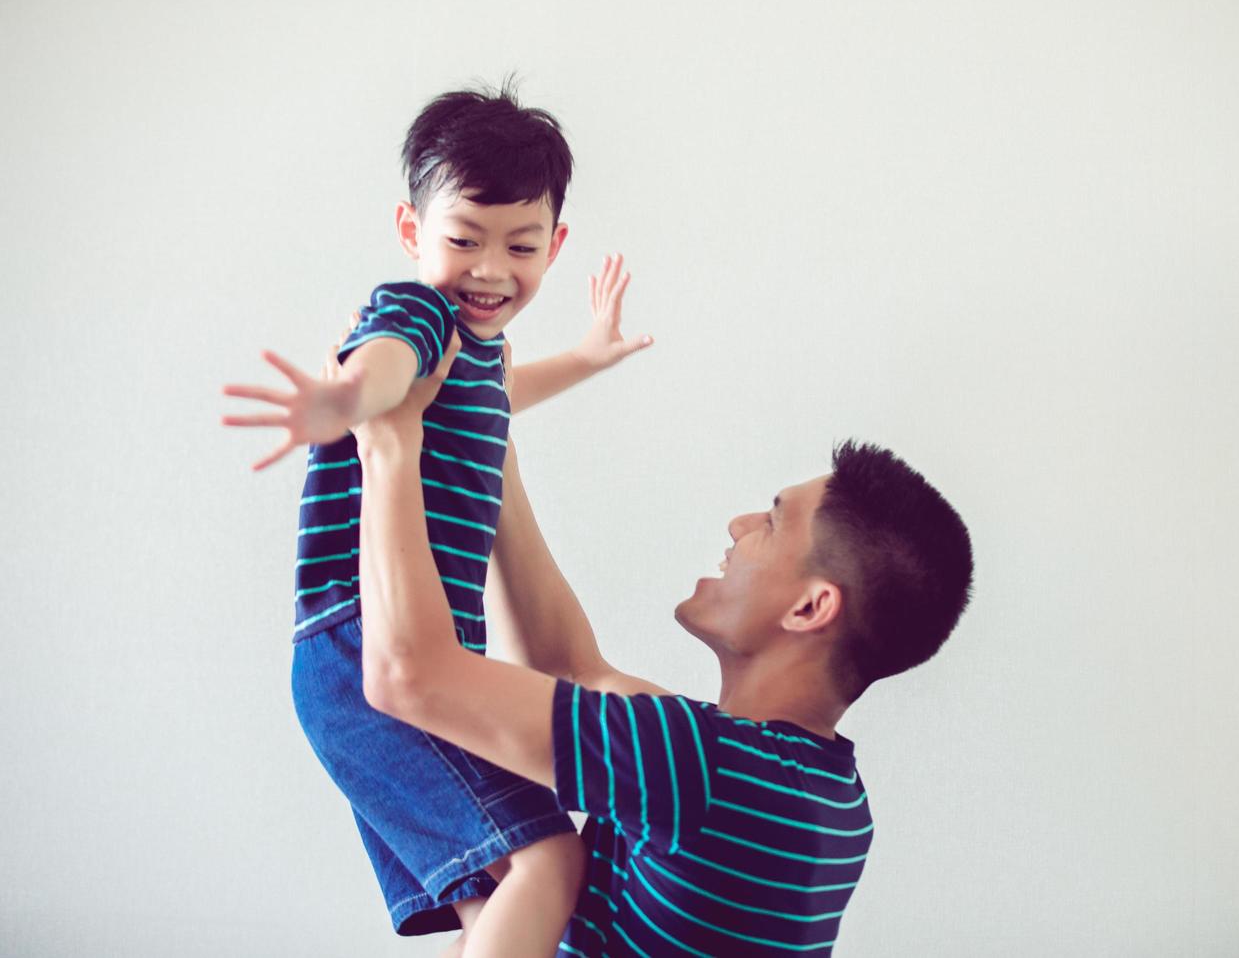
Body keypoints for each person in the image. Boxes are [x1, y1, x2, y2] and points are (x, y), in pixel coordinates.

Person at [350, 343, 975, 955]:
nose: (740, 524)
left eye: (773, 522)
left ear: (809, 608)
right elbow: (572, 665)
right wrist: (496, 438)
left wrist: (387, 444)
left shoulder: (697, 765)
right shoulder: (827, 799)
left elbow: (406, 676)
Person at [221, 83, 652, 956]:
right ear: (412, 232)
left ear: (555, 246)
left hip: (402, 654)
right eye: (462, 240)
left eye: (521, 246)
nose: (491, 270)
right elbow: (388, 366)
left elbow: (497, 395)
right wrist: (343, 398)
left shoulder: (482, 352)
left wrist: (589, 357)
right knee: (548, 865)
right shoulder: (415, 310)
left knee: (486, 909)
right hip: (362, 643)